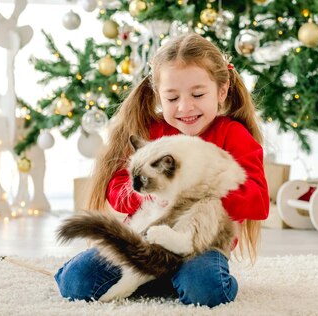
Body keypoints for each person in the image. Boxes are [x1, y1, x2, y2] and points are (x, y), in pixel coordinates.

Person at [55, 33, 270, 307]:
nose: (185, 107)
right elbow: (117, 188)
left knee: (205, 291)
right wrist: (149, 194)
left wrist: (192, 192)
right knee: (76, 283)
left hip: (199, 244)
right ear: (158, 95)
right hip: (144, 236)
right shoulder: (152, 133)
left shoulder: (233, 136)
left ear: (222, 91)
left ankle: (174, 278)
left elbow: (258, 202)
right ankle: (157, 276)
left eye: (198, 94)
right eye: (172, 97)